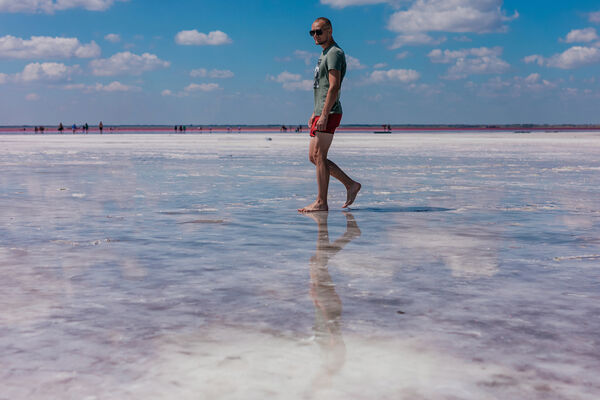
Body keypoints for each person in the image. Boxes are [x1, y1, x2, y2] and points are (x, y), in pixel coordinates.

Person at [298, 17, 361, 213]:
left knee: (320, 156)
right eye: (312, 32)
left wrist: (324, 113)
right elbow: (323, 87)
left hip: (330, 111)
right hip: (321, 111)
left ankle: (321, 202)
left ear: (330, 31)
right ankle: (350, 184)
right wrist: (315, 111)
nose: (315, 36)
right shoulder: (324, 53)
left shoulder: (334, 53)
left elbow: (334, 87)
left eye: (319, 32)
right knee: (314, 157)